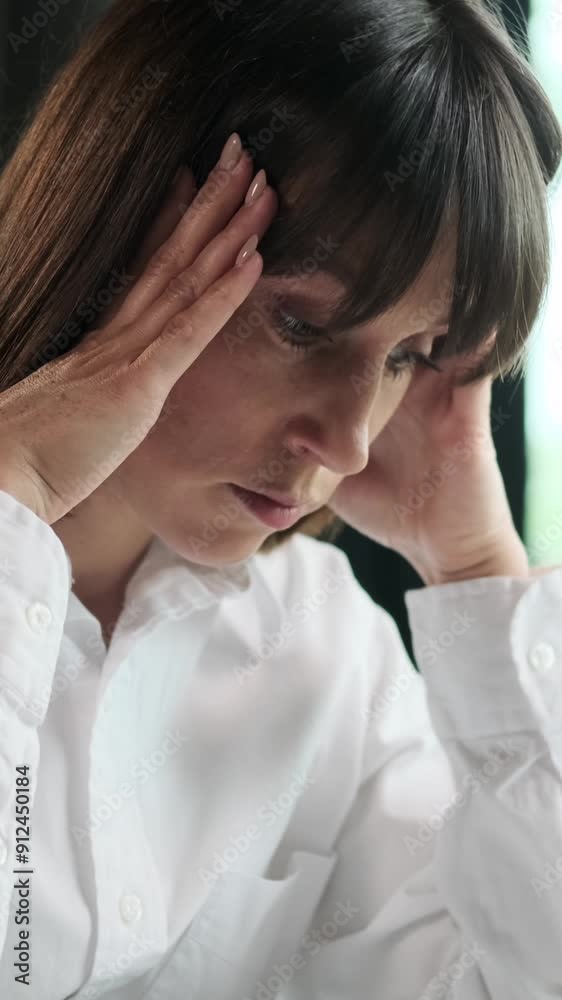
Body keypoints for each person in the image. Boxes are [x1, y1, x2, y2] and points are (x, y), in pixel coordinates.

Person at [0, 0, 561, 997]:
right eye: (301, 327)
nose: (350, 442)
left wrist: (477, 569)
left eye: (408, 355)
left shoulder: (325, 652)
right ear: (115, 236)